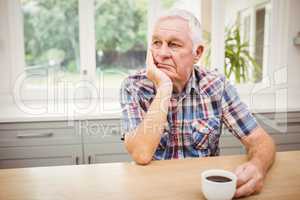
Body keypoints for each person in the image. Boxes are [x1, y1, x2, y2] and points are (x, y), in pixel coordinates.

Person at [119, 9, 276, 198]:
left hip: (203, 193)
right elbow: (141, 153)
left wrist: (257, 166)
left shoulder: (216, 86)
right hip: (154, 192)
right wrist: (164, 87)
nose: (161, 53)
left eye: (173, 44)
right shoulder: (134, 86)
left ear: (197, 52)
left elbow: (261, 141)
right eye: (156, 43)